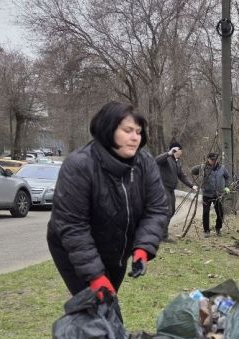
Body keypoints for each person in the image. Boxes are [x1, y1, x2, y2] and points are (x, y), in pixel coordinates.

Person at [47, 101, 169, 300]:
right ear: (109, 129)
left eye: (138, 132)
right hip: (76, 250)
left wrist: (143, 249)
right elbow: (72, 225)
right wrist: (95, 276)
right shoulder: (79, 166)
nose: (134, 138)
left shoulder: (145, 163)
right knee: (102, 309)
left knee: (104, 308)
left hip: (117, 251)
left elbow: (156, 208)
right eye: (127, 130)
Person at [155, 141, 197, 242]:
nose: (181, 152)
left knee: (172, 211)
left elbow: (182, 176)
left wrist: (192, 185)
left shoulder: (176, 162)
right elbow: (156, 160)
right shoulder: (166, 158)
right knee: (167, 211)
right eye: (180, 150)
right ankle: (163, 236)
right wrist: (168, 153)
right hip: (162, 188)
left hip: (170, 190)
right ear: (175, 150)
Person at [191, 152, 231, 237]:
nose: (214, 161)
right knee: (205, 212)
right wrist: (200, 167)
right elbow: (192, 171)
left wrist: (227, 187)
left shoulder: (222, 168)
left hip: (218, 194)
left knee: (220, 212)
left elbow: (227, 177)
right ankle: (206, 231)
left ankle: (218, 228)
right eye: (212, 160)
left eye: (215, 160)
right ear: (208, 159)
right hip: (207, 194)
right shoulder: (203, 167)